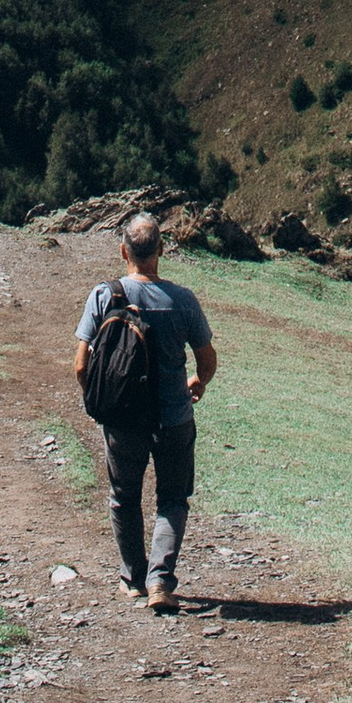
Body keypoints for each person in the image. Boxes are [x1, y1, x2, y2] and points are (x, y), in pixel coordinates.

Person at [71, 210, 217, 611]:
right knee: (172, 499)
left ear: (124, 251)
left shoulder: (104, 295)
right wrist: (197, 384)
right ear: (161, 250)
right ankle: (160, 582)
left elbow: (81, 364)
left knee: (124, 495)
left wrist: (103, 401)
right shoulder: (183, 300)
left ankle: (133, 578)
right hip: (173, 418)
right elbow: (207, 359)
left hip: (123, 419)